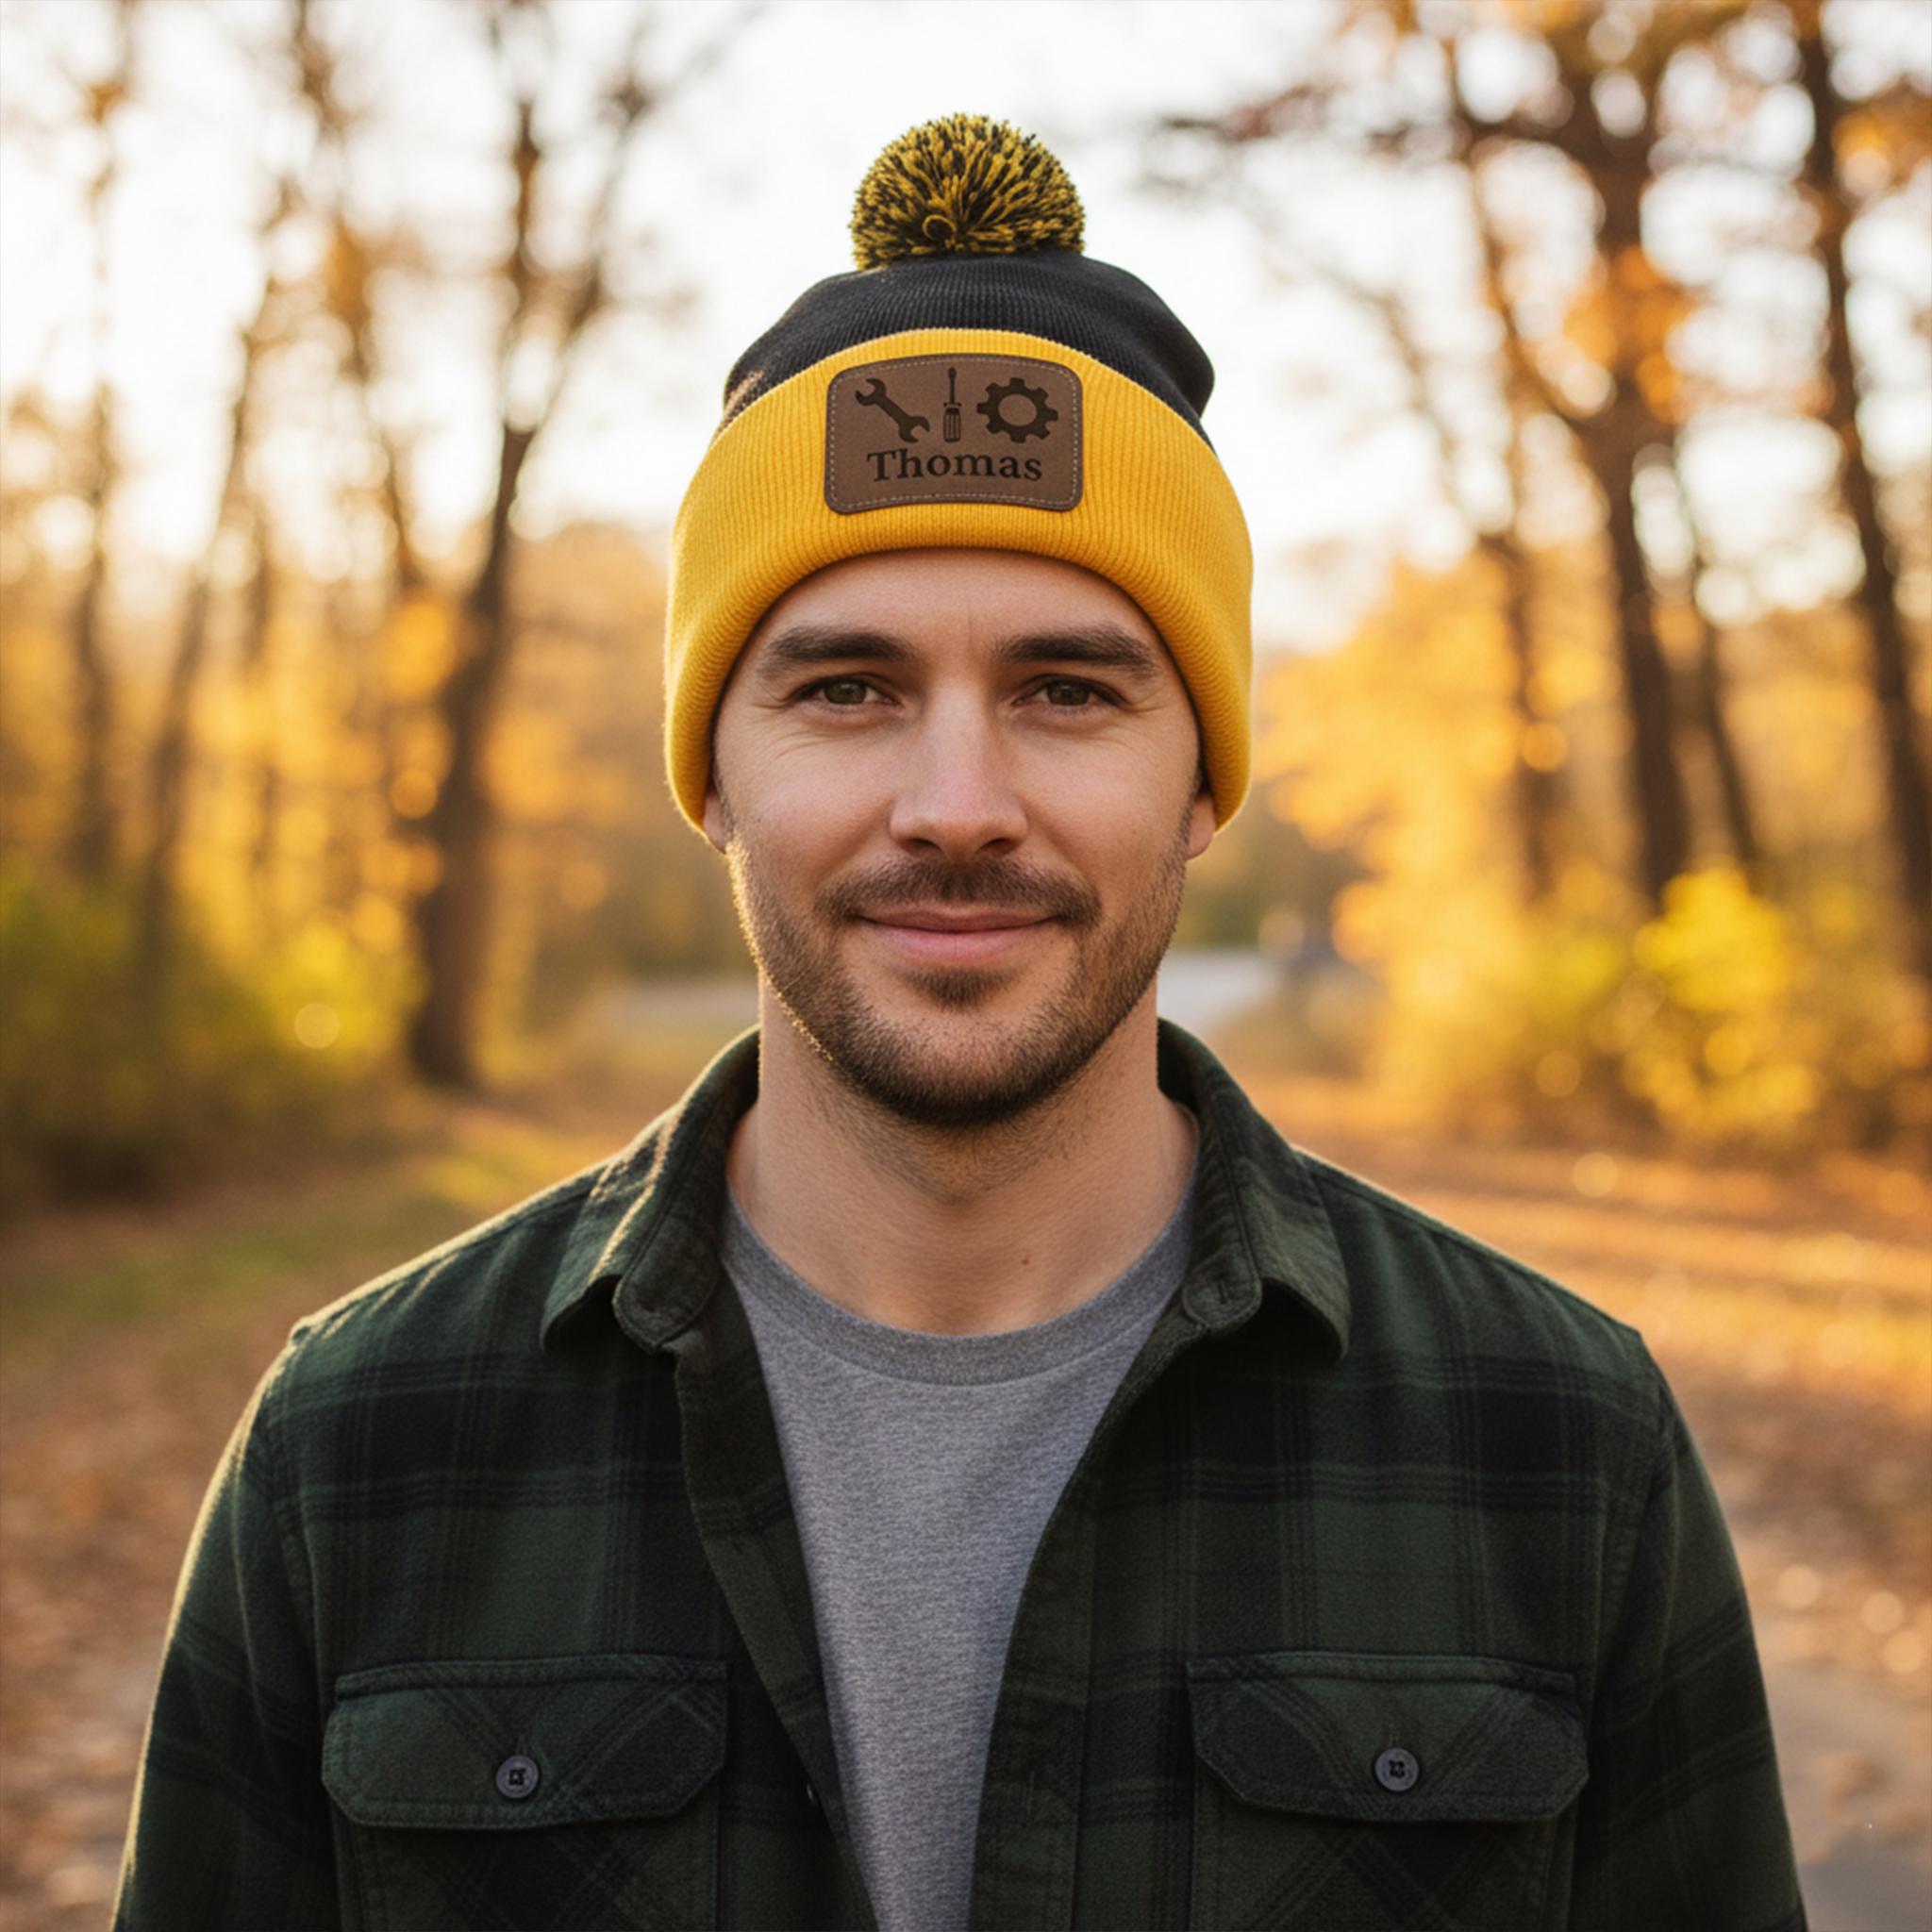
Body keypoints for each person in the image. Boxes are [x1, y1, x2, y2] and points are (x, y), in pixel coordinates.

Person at [115, 115, 1806, 1932]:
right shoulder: (361, 1448)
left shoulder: (1557, 1442)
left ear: (1203, 784)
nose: (956, 801)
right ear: (712, 776)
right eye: (845, 687)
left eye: (1069, 689)